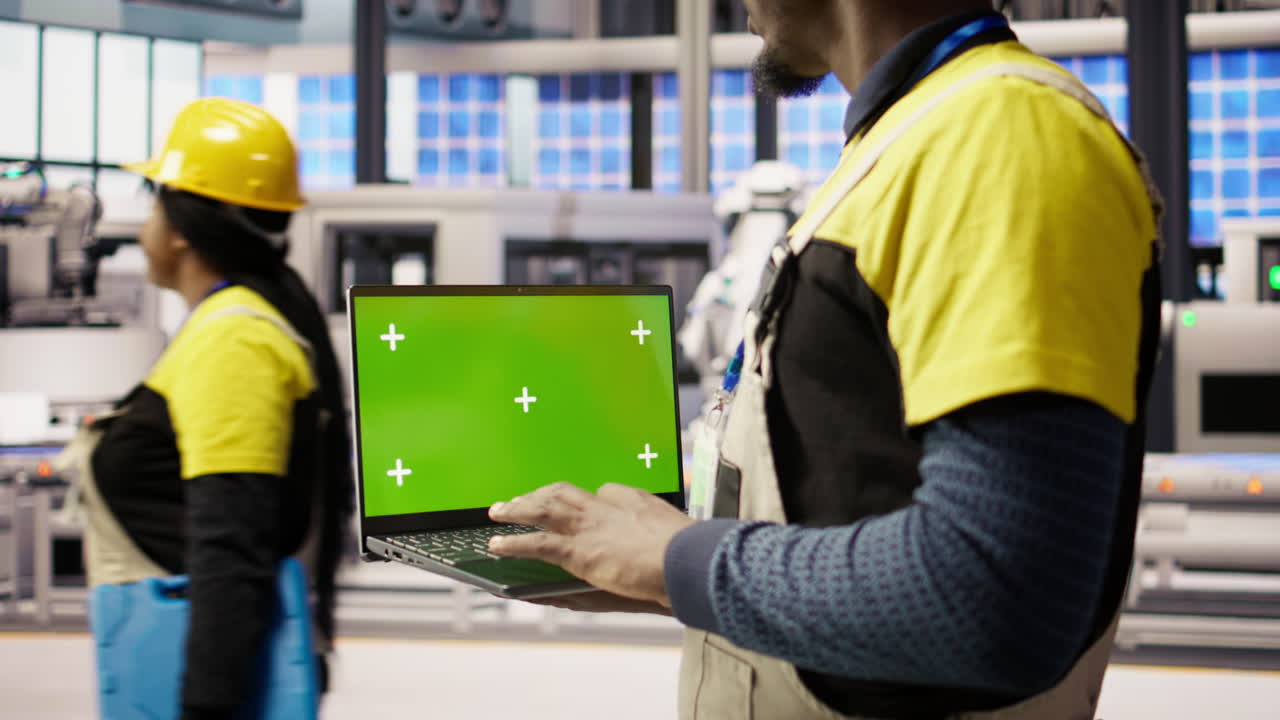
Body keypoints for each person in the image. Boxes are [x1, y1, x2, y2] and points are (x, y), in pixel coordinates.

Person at [486, 1, 1162, 718]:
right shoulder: (909, 138)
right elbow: (856, 502)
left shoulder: (999, 139)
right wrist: (650, 567)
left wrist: (677, 560)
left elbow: (997, 597)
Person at [84, 98, 352, 720]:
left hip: (209, 685)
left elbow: (232, 548)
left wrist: (207, 707)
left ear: (179, 226)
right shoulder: (240, 322)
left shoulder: (235, 339)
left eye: (154, 200)